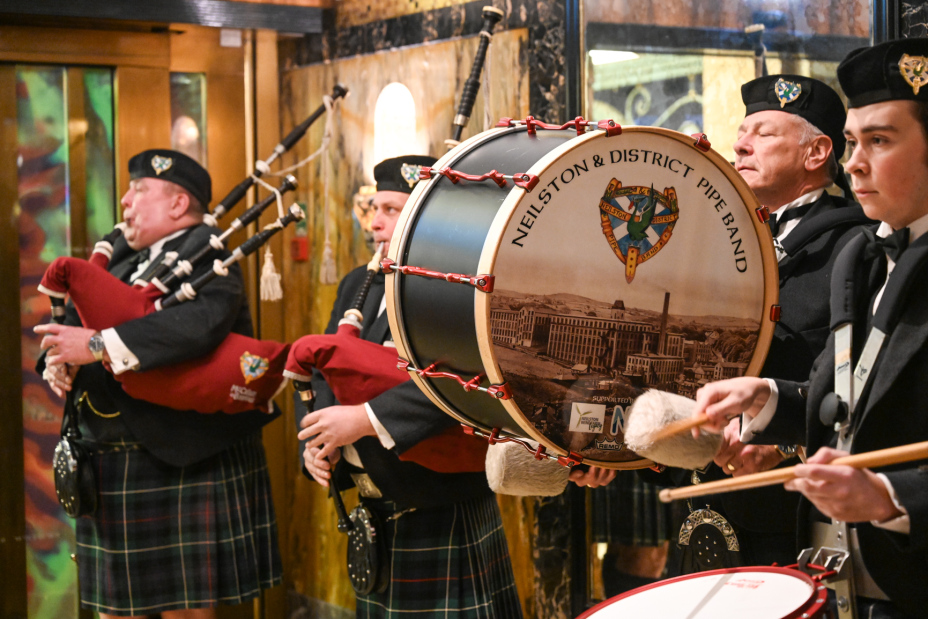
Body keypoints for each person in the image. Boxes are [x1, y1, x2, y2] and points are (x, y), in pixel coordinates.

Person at [694, 38, 928, 618]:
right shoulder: (863, 259)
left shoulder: (847, 241)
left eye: (880, 141)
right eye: (852, 142)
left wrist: (890, 495)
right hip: (837, 578)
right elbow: (846, 403)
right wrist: (768, 397)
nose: (855, 164)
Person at [35, 149, 282, 619]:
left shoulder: (213, 253)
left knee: (184, 611)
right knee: (115, 610)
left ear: (177, 203)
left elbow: (196, 328)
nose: (125, 201)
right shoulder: (124, 257)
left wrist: (95, 346)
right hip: (114, 459)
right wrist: (59, 362)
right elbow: (85, 325)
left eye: (139, 190)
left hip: (183, 456)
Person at [659, 74, 874, 574]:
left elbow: (863, 384)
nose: (740, 144)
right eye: (741, 132)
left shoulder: (857, 247)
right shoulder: (708, 240)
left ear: (817, 152)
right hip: (697, 507)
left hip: (792, 519)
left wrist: (784, 445)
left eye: (764, 133)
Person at [298, 155, 522, 618]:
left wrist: (364, 419)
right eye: (373, 209)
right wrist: (318, 440)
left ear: (426, 219)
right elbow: (326, 367)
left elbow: (465, 378)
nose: (375, 224)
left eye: (391, 210)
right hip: (375, 506)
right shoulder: (357, 284)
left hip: (441, 502)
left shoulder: (457, 285)